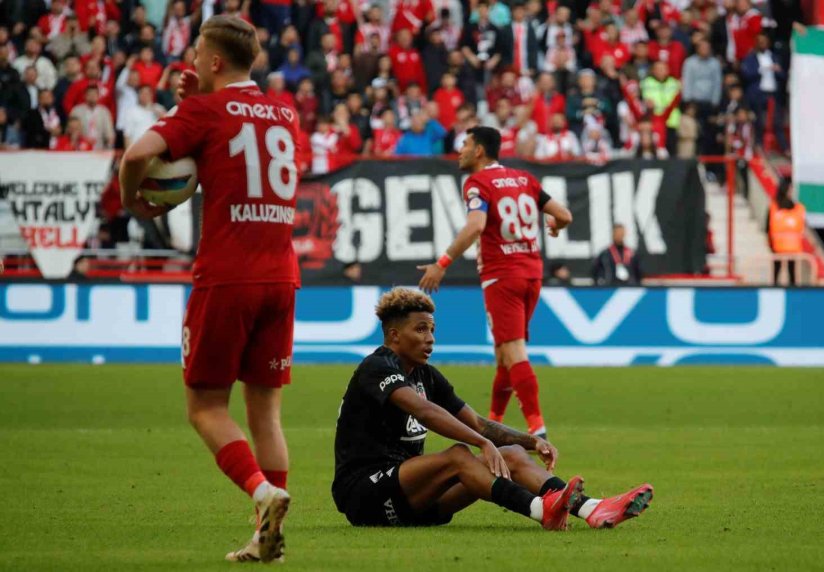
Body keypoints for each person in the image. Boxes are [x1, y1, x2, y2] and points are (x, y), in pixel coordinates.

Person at [118, 16, 305, 563]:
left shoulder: (201, 110)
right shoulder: (285, 113)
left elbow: (136, 156)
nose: (193, 61)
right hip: (281, 275)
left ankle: (261, 492)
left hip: (227, 275)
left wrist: (135, 201)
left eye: (198, 53)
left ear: (215, 61)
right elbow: (228, 152)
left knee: (204, 406)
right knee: (265, 411)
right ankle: (263, 534)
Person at [332, 287, 654, 528]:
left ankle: (592, 509)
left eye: (432, 330)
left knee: (512, 454)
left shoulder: (425, 375)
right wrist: (481, 444)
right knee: (458, 455)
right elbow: (426, 413)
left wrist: (531, 441)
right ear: (394, 335)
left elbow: (478, 423)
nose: (430, 338)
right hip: (365, 496)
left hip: (414, 501)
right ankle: (543, 512)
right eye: (420, 329)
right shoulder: (377, 367)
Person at [418, 127, 573, 439]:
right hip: (532, 275)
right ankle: (493, 426)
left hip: (502, 276)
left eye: (464, 143)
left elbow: (476, 225)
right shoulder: (524, 179)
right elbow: (564, 215)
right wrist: (556, 225)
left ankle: (537, 432)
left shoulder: (478, 183)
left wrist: (442, 263)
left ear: (478, 151)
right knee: (504, 354)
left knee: (514, 351)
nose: (459, 149)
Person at [768, 179, 805, 285]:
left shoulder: (796, 207)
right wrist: (770, 243)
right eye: (790, 189)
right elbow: (768, 226)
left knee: (792, 273)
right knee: (776, 273)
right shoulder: (774, 206)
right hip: (777, 247)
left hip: (793, 247)